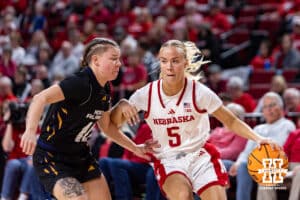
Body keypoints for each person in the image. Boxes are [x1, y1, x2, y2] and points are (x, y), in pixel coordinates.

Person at [110, 40, 280, 200]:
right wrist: (122, 105)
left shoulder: (199, 92)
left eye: (175, 61)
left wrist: (259, 139)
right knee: (183, 195)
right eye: (164, 61)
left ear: (185, 63)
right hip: (169, 159)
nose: (169, 66)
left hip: (200, 155)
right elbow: (112, 124)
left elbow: (231, 121)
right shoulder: (146, 94)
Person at [20, 38, 158, 200]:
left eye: (119, 59)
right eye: (113, 58)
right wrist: (29, 132)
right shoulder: (80, 82)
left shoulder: (105, 88)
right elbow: (39, 98)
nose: (119, 63)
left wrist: (135, 147)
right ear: (96, 60)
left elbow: (107, 127)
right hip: (53, 156)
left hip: (81, 157)